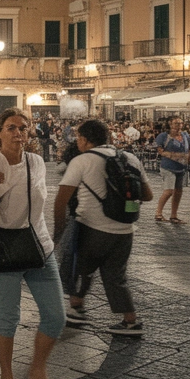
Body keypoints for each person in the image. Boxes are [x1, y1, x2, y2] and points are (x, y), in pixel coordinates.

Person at [0, 108, 74, 379]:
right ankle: (6, 378)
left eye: (23, 127)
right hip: (5, 247)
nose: (18, 133)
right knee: (8, 316)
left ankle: (37, 371)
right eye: (11, 128)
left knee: (56, 315)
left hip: (39, 247)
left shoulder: (36, 162)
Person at [55, 118, 152, 337]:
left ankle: (77, 309)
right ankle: (130, 321)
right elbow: (148, 195)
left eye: (79, 137)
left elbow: (61, 199)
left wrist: (58, 233)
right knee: (116, 276)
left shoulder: (82, 160)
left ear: (84, 139)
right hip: (125, 230)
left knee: (79, 268)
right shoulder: (130, 158)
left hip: (91, 228)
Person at [153, 117, 190, 222]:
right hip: (168, 166)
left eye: (180, 123)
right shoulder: (164, 136)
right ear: (170, 124)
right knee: (169, 191)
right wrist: (174, 155)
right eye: (176, 123)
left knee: (178, 191)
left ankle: (174, 215)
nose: (178, 126)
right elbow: (160, 151)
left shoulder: (185, 135)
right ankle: (158, 213)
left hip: (181, 167)